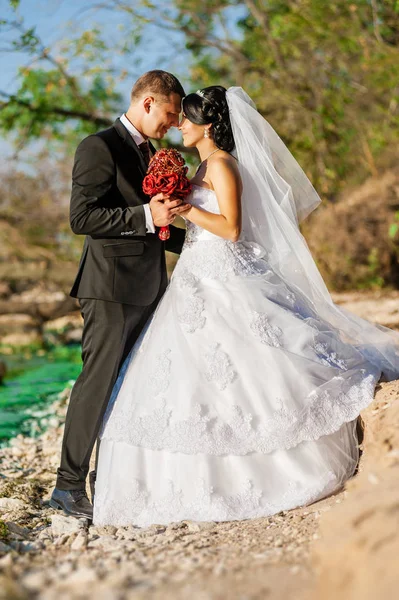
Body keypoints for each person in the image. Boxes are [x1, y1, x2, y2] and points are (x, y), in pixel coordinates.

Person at [93, 86, 399, 527]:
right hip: (197, 275)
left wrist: (185, 209)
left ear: (208, 126)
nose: (179, 122)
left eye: (187, 117)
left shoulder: (222, 165)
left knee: (249, 361)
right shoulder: (203, 164)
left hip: (224, 271)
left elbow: (232, 229)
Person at [50, 71, 190, 520]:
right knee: (97, 383)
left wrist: (201, 242)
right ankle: (67, 488)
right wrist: (146, 214)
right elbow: (83, 217)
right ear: (148, 103)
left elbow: (155, 225)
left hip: (149, 287)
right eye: (170, 113)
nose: (173, 122)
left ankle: (107, 480)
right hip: (109, 289)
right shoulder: (99, 146)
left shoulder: (152, 152)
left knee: (131, 385)